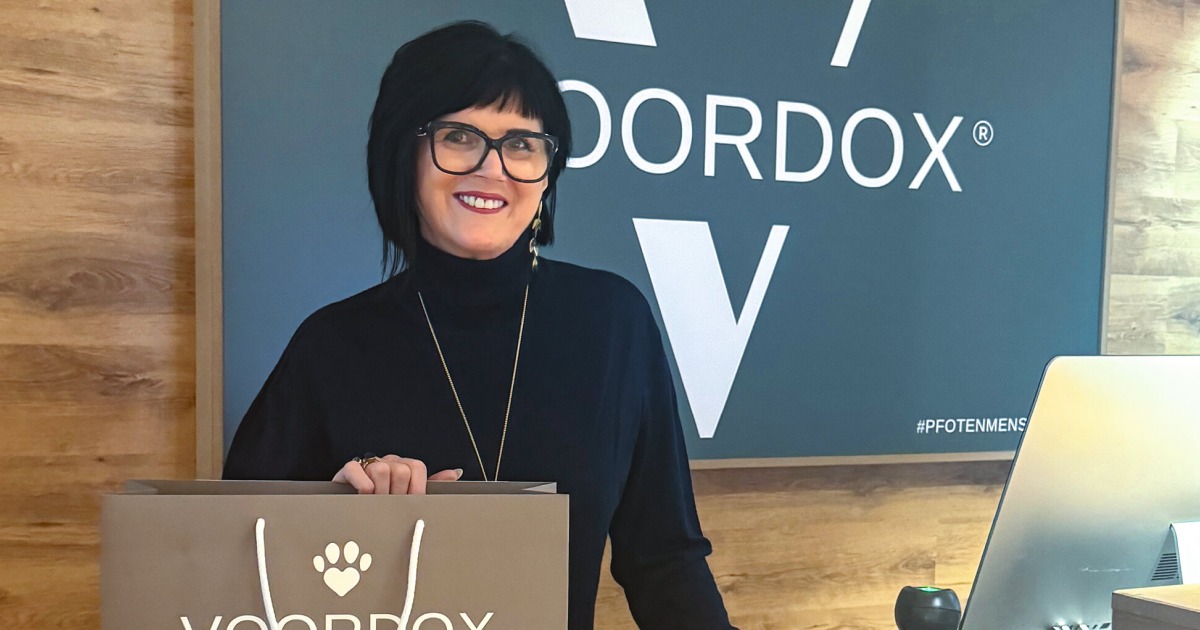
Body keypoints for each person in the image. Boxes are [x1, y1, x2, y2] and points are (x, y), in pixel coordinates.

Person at [223, 20, 734, 630]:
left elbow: (665, 561)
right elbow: (240, 569)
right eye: (460, 137)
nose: (493, 169)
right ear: (403, 153)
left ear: (547, 173)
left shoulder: (612, 323)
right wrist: (338, 514)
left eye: (522, 144)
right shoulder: (329, 347)